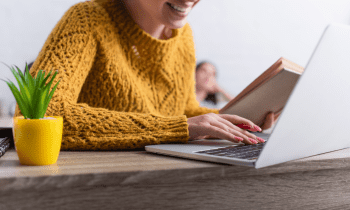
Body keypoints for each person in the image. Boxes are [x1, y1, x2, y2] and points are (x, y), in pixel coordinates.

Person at [14, 0, 276, 150]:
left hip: (166, 179)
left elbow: (183, 110)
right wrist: (176, 128)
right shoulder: (87, 20)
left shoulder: (183, 36)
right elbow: (37, 115)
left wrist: (237, 120)